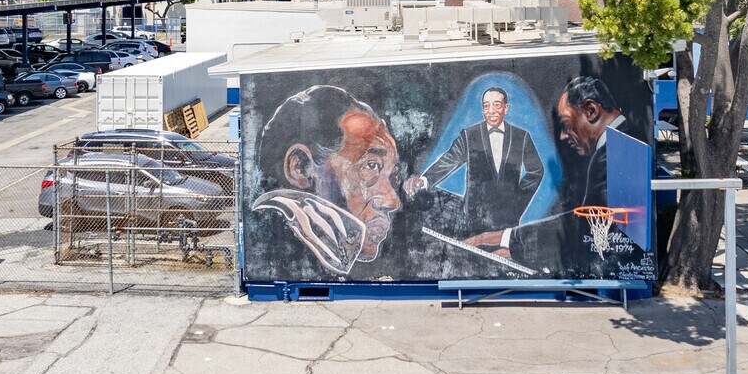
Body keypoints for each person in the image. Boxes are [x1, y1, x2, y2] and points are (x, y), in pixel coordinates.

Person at [464, 76, 628, 268]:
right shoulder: (618, 145)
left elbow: (581, 226)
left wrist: (509, 238)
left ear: (591, 111)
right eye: (486, 106)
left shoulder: (609, 156)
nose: (563, 135)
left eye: (566, 123)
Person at [252, 85, 402, 275]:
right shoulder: (279, 258)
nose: (392, 201)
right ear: (300, 168)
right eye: (371, 166)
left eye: (392, 176)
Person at [403, 86, 544, 232]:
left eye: (496, 105)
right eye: (486, 106)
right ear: (483, 110)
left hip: (508, 222)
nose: (491, 111)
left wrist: (517, 203)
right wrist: (425, 180)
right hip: (472, 220)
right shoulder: (469, 135)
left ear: (505, 108)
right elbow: (449, 160)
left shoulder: (521, 137)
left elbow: (536, 170)